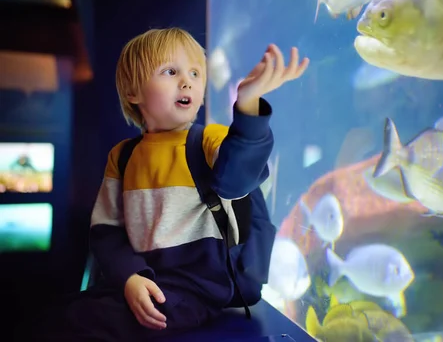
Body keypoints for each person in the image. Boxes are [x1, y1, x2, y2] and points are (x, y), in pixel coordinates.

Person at [21, 27, 309, 341]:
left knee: (77, 323)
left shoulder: (209, 139)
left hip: (200, 287)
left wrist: (249, 103)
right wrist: (130, 277)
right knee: (62, 313)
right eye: (171, 71)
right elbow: (106, 231)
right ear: (133, 92)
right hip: (147, 280)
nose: (187, 81)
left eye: (196, 73)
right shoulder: (123, 156)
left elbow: (237, 180)